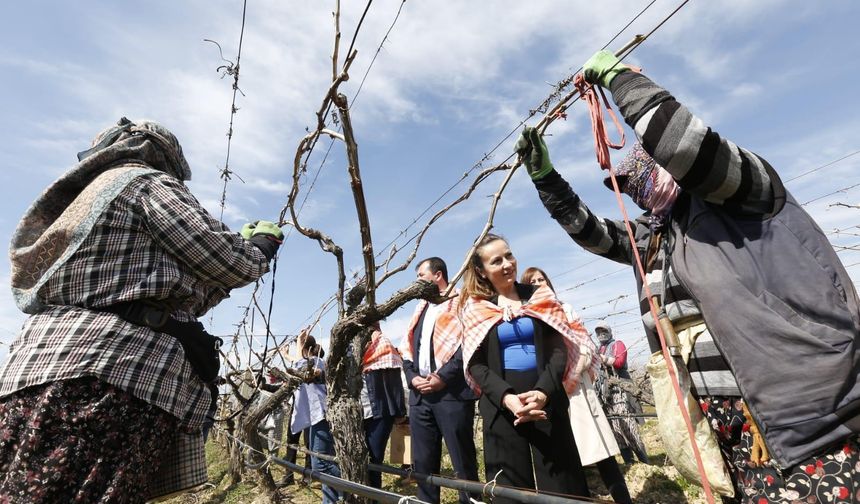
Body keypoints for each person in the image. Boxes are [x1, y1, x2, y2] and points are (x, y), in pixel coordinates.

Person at [516, 50, 860, 501]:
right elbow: (592, 232)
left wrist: (621, 81)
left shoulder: (744, 191)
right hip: (734, 428)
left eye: (642, 175)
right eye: (630, 186)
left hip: (811, 413)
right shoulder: (655, 236)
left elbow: (686, 147)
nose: (636, 190)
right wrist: (546, 178)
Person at [0, 118, 282, 502]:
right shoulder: (144, 182)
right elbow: (229, 260)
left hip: (35, 367)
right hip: (107, 373)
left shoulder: (79, 206)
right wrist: (259, 248)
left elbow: (174, 295)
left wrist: (227, 267)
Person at [460, 234, 594, 503]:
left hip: (546, 399)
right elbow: (475, 363)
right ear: (481, 271)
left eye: (509, 255)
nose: (507, 264)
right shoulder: (475, 308)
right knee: (510, 487)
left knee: (561, 482)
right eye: (496, 261)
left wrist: (543, 392)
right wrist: (507, 397)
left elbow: (559, 350)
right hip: (501, 405)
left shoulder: (540, 296)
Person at [521, 267, 632, 503]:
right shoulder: (527, 316)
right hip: (548, 391)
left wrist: (572, 374)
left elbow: (585, 346)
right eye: (533, 281)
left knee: (600, 450)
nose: (539, 284)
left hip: (577, 389)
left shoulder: (565, 308)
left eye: (542, 279)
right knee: (566, 456)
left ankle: (623, 499)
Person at [399, 257, 479, 504]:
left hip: (451, 393)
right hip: (420, 396)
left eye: (421, 276)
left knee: (462, 459)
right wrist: (412, 378)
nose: (417, 282)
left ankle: (470, 501)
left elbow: (468, 344)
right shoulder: (420, 309)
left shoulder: (461, 302)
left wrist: (443, 377)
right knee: (423, 461)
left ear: (438, 275)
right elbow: (408, 349)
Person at [290, 336, 341, 503]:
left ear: (307, 349)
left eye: (300, 348)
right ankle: (331, 500)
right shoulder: (312, 362)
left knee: (320, 463)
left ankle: (350, 484)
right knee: (322, 459)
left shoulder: (315, 361)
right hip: (315, 416)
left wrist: (299, 344)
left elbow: (300, 367)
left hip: (321, 414)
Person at [593, 321, 649, 465]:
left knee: (627, 424)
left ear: (609, 331)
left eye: (604, 331)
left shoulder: (617, 344)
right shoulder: (599, 348)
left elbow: (619, 362)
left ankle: (644, 461)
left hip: (621, 388)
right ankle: (629, 462)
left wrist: (603, 358)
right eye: (598, 332)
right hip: (605, 392)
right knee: (615, 426)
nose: (601, 334)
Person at [360, 327, 407, 490]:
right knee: (359, 457)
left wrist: (400, 411)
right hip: (357, 413)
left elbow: (395, 381)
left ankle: (374, 497)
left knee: (374, 460)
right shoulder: (351, 349)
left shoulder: (382, 344)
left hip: (379, 412)